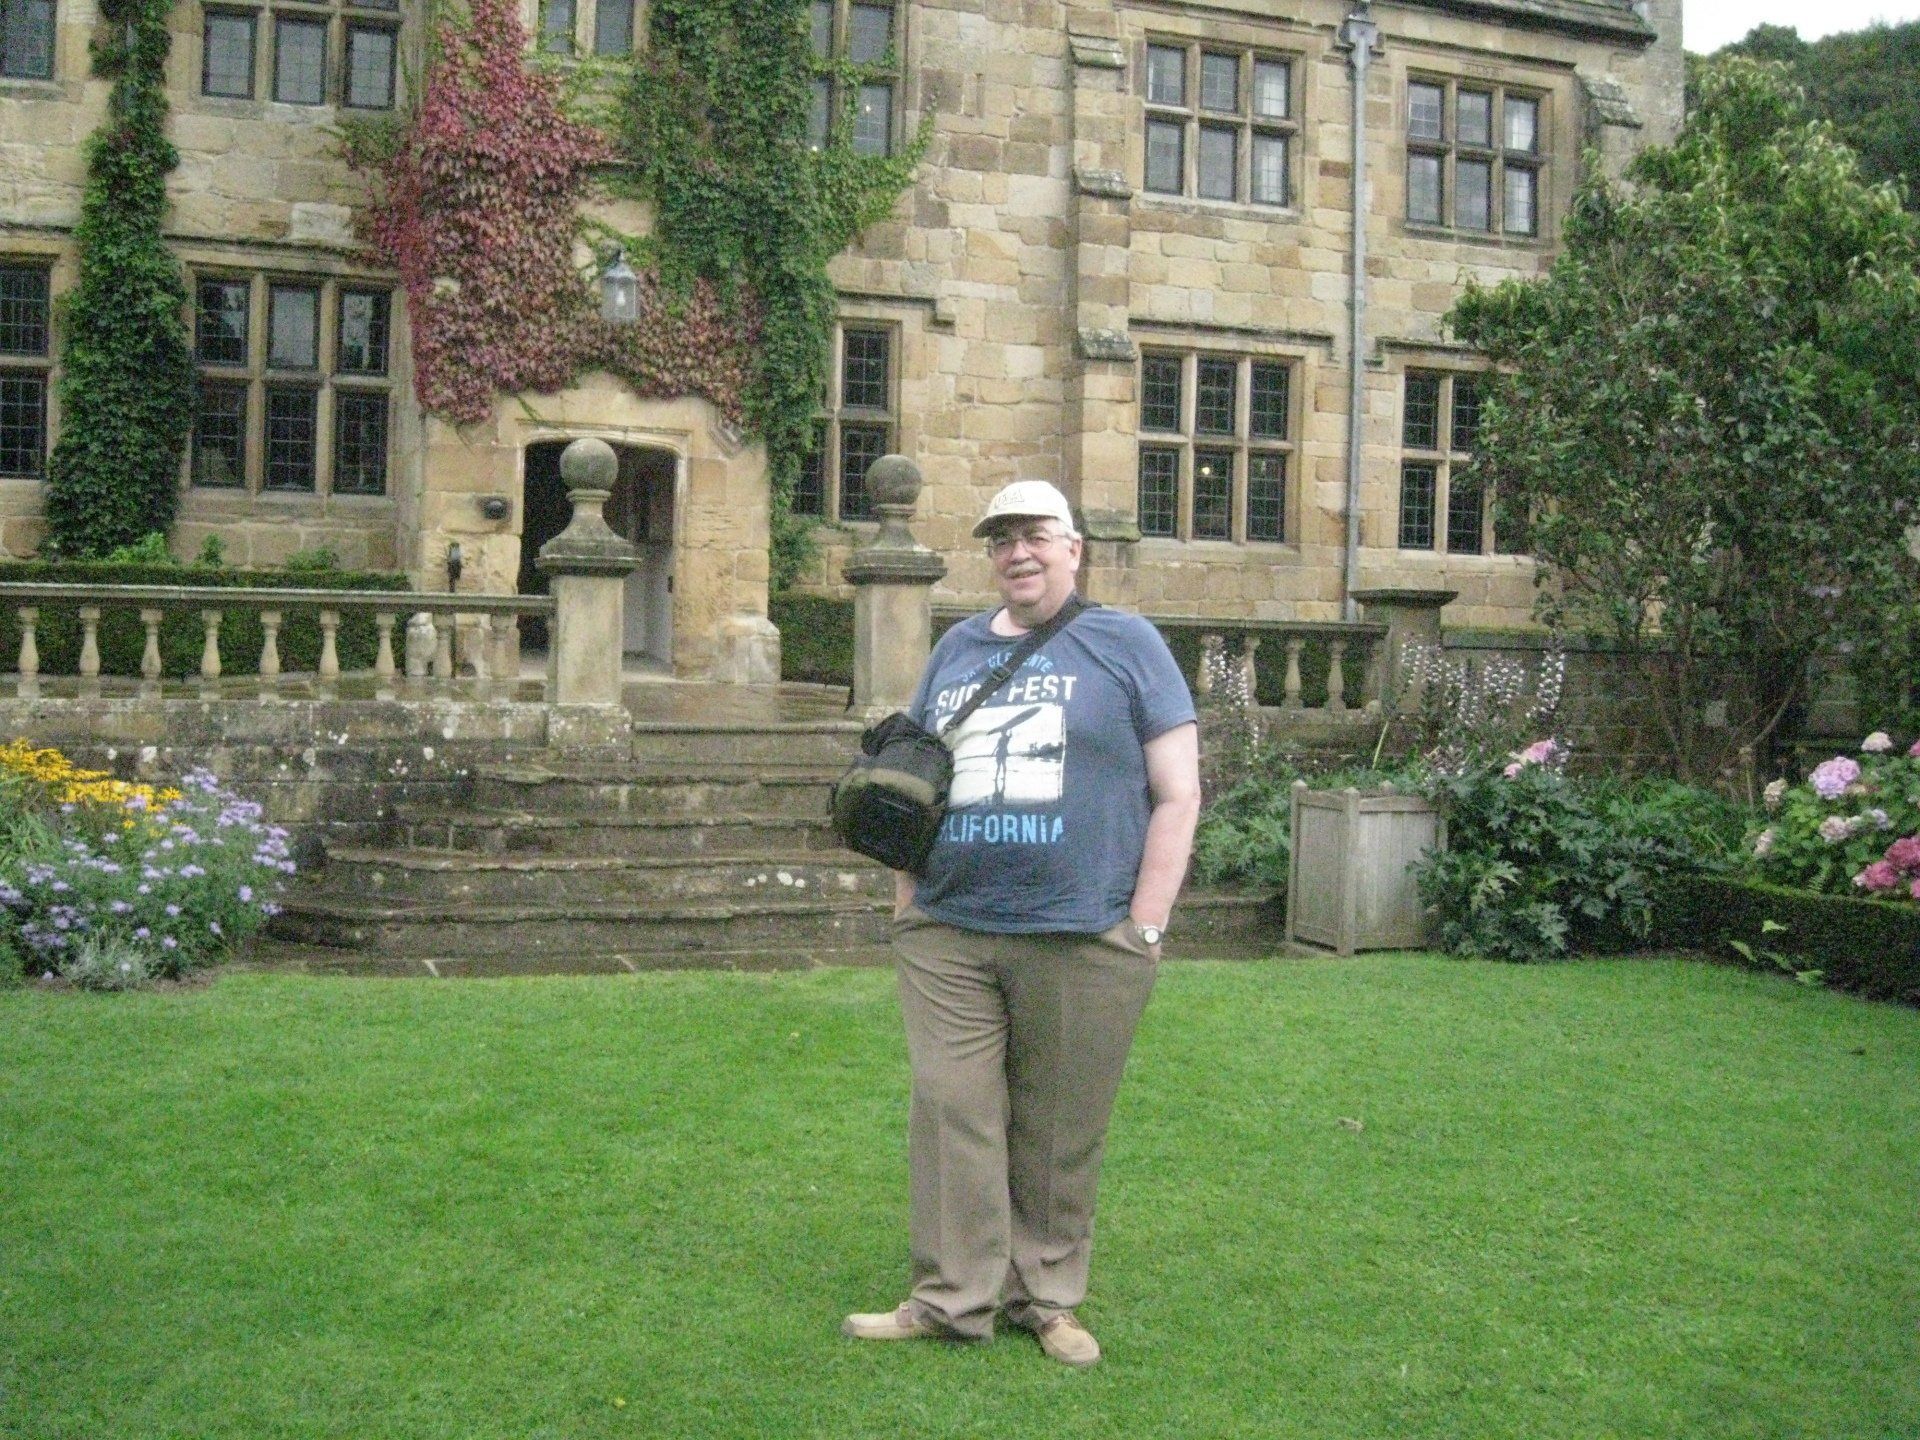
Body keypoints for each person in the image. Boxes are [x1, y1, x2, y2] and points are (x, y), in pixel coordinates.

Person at [842, 480, 1201, 1367]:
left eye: (1035, 534)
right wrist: (906, 907)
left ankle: (1045, 1298)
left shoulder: (1126, 643)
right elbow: (909, 786)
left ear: (1074, 546)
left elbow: (1179, 792)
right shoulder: (957, 648)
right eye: (1001, 539)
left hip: (1083, 933)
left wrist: (1145, 925)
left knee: (1056, 1127)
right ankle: (950, 1296)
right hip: (951, 930)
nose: (1018, 553)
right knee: (952, 1111)